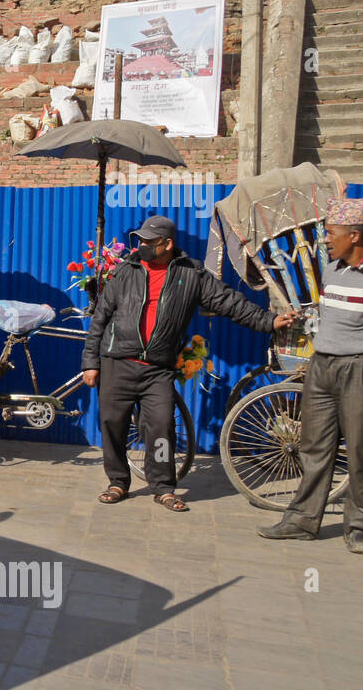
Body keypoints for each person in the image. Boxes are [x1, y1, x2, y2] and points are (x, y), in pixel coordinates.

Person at [82, 214, 295, 512]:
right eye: (139, 240)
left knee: (161, 426)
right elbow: (100, 320)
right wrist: (90, 362)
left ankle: (163, 487)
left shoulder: (190, 275)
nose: (141, 245)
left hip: (157, 369)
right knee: (113, 426)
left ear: (167, 244)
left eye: (148, 241)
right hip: (117, 362)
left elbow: (230, 303)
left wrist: (269, 321)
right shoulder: (125, 272)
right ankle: (118, 481)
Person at [259, 197, 363, 553]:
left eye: (332, 234)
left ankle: (359, 525)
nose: (326, 240)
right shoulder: (332, 269)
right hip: (322, 367)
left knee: (359, 449)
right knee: (314, 445)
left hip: (357, 368)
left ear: (355, 235)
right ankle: (302, 521)